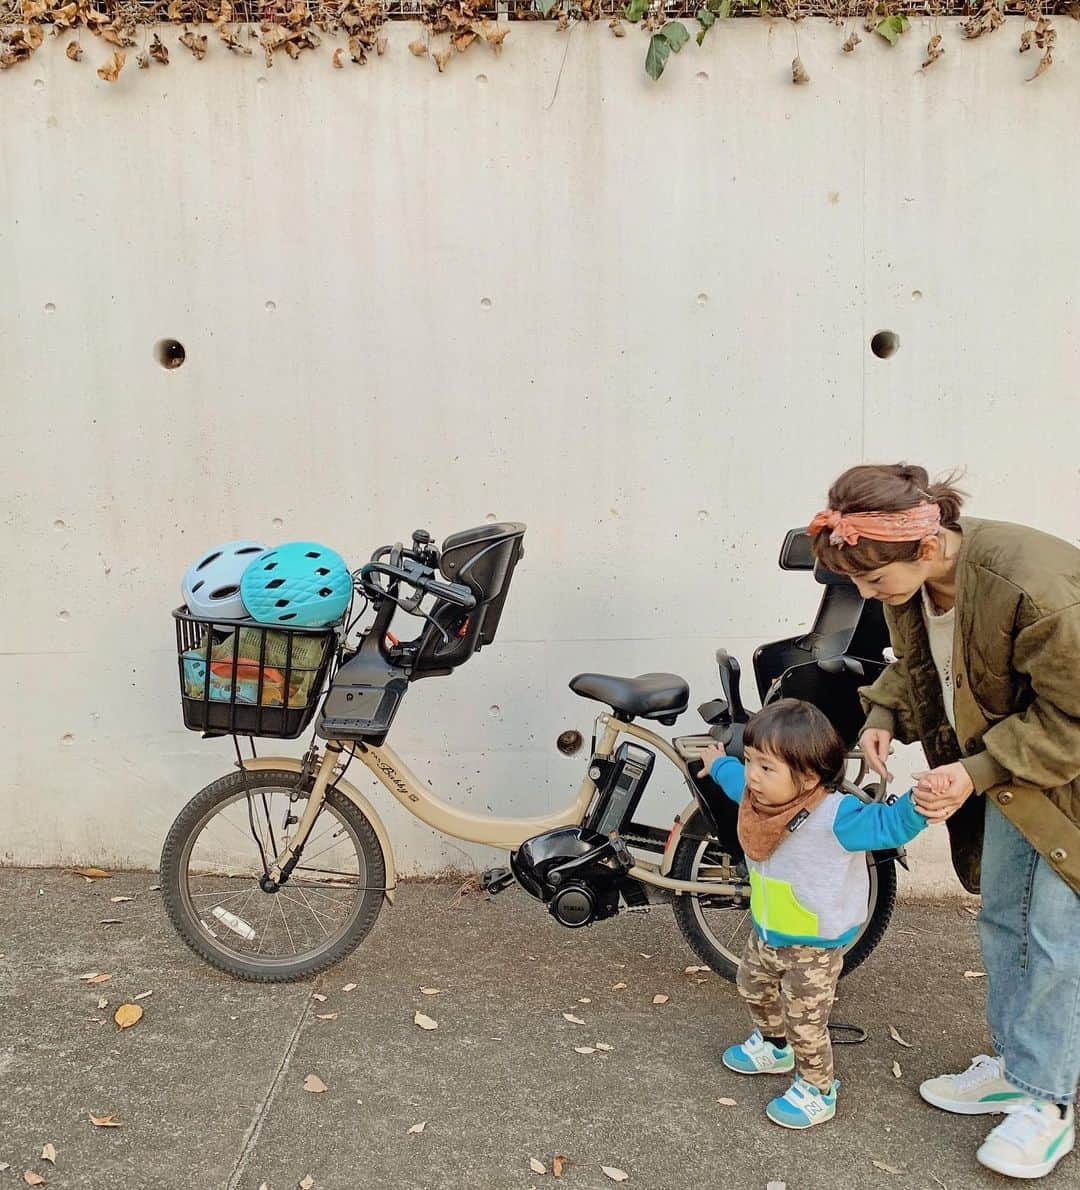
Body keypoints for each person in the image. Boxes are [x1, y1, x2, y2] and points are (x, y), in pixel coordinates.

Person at [808, 462, 1079, 1178]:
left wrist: (973, 770)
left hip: (1067, 780)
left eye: (874, 582)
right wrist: (884, 712)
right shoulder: (918, 578)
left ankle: (1049, 1104)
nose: (868, 595)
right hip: (1014, 775)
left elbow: (1073, 718)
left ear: (926, 546)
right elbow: (921, 658)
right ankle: (1019, 1070)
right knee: (1003, 918)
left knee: (1054, 937)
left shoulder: (1034, 585)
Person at [697, 698, 929, 1129]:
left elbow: (888, 825)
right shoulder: (757, 798)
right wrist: (718, 764)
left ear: (807, 775)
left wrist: (919, 803)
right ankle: (773, 1046)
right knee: (751, 986)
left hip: (813, 949)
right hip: (767, 932)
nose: (752, 775)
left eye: (766, 768)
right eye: (750, 761)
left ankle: (818, 1090)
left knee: (807, 1023)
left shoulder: (835, 815)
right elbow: (733, 782)